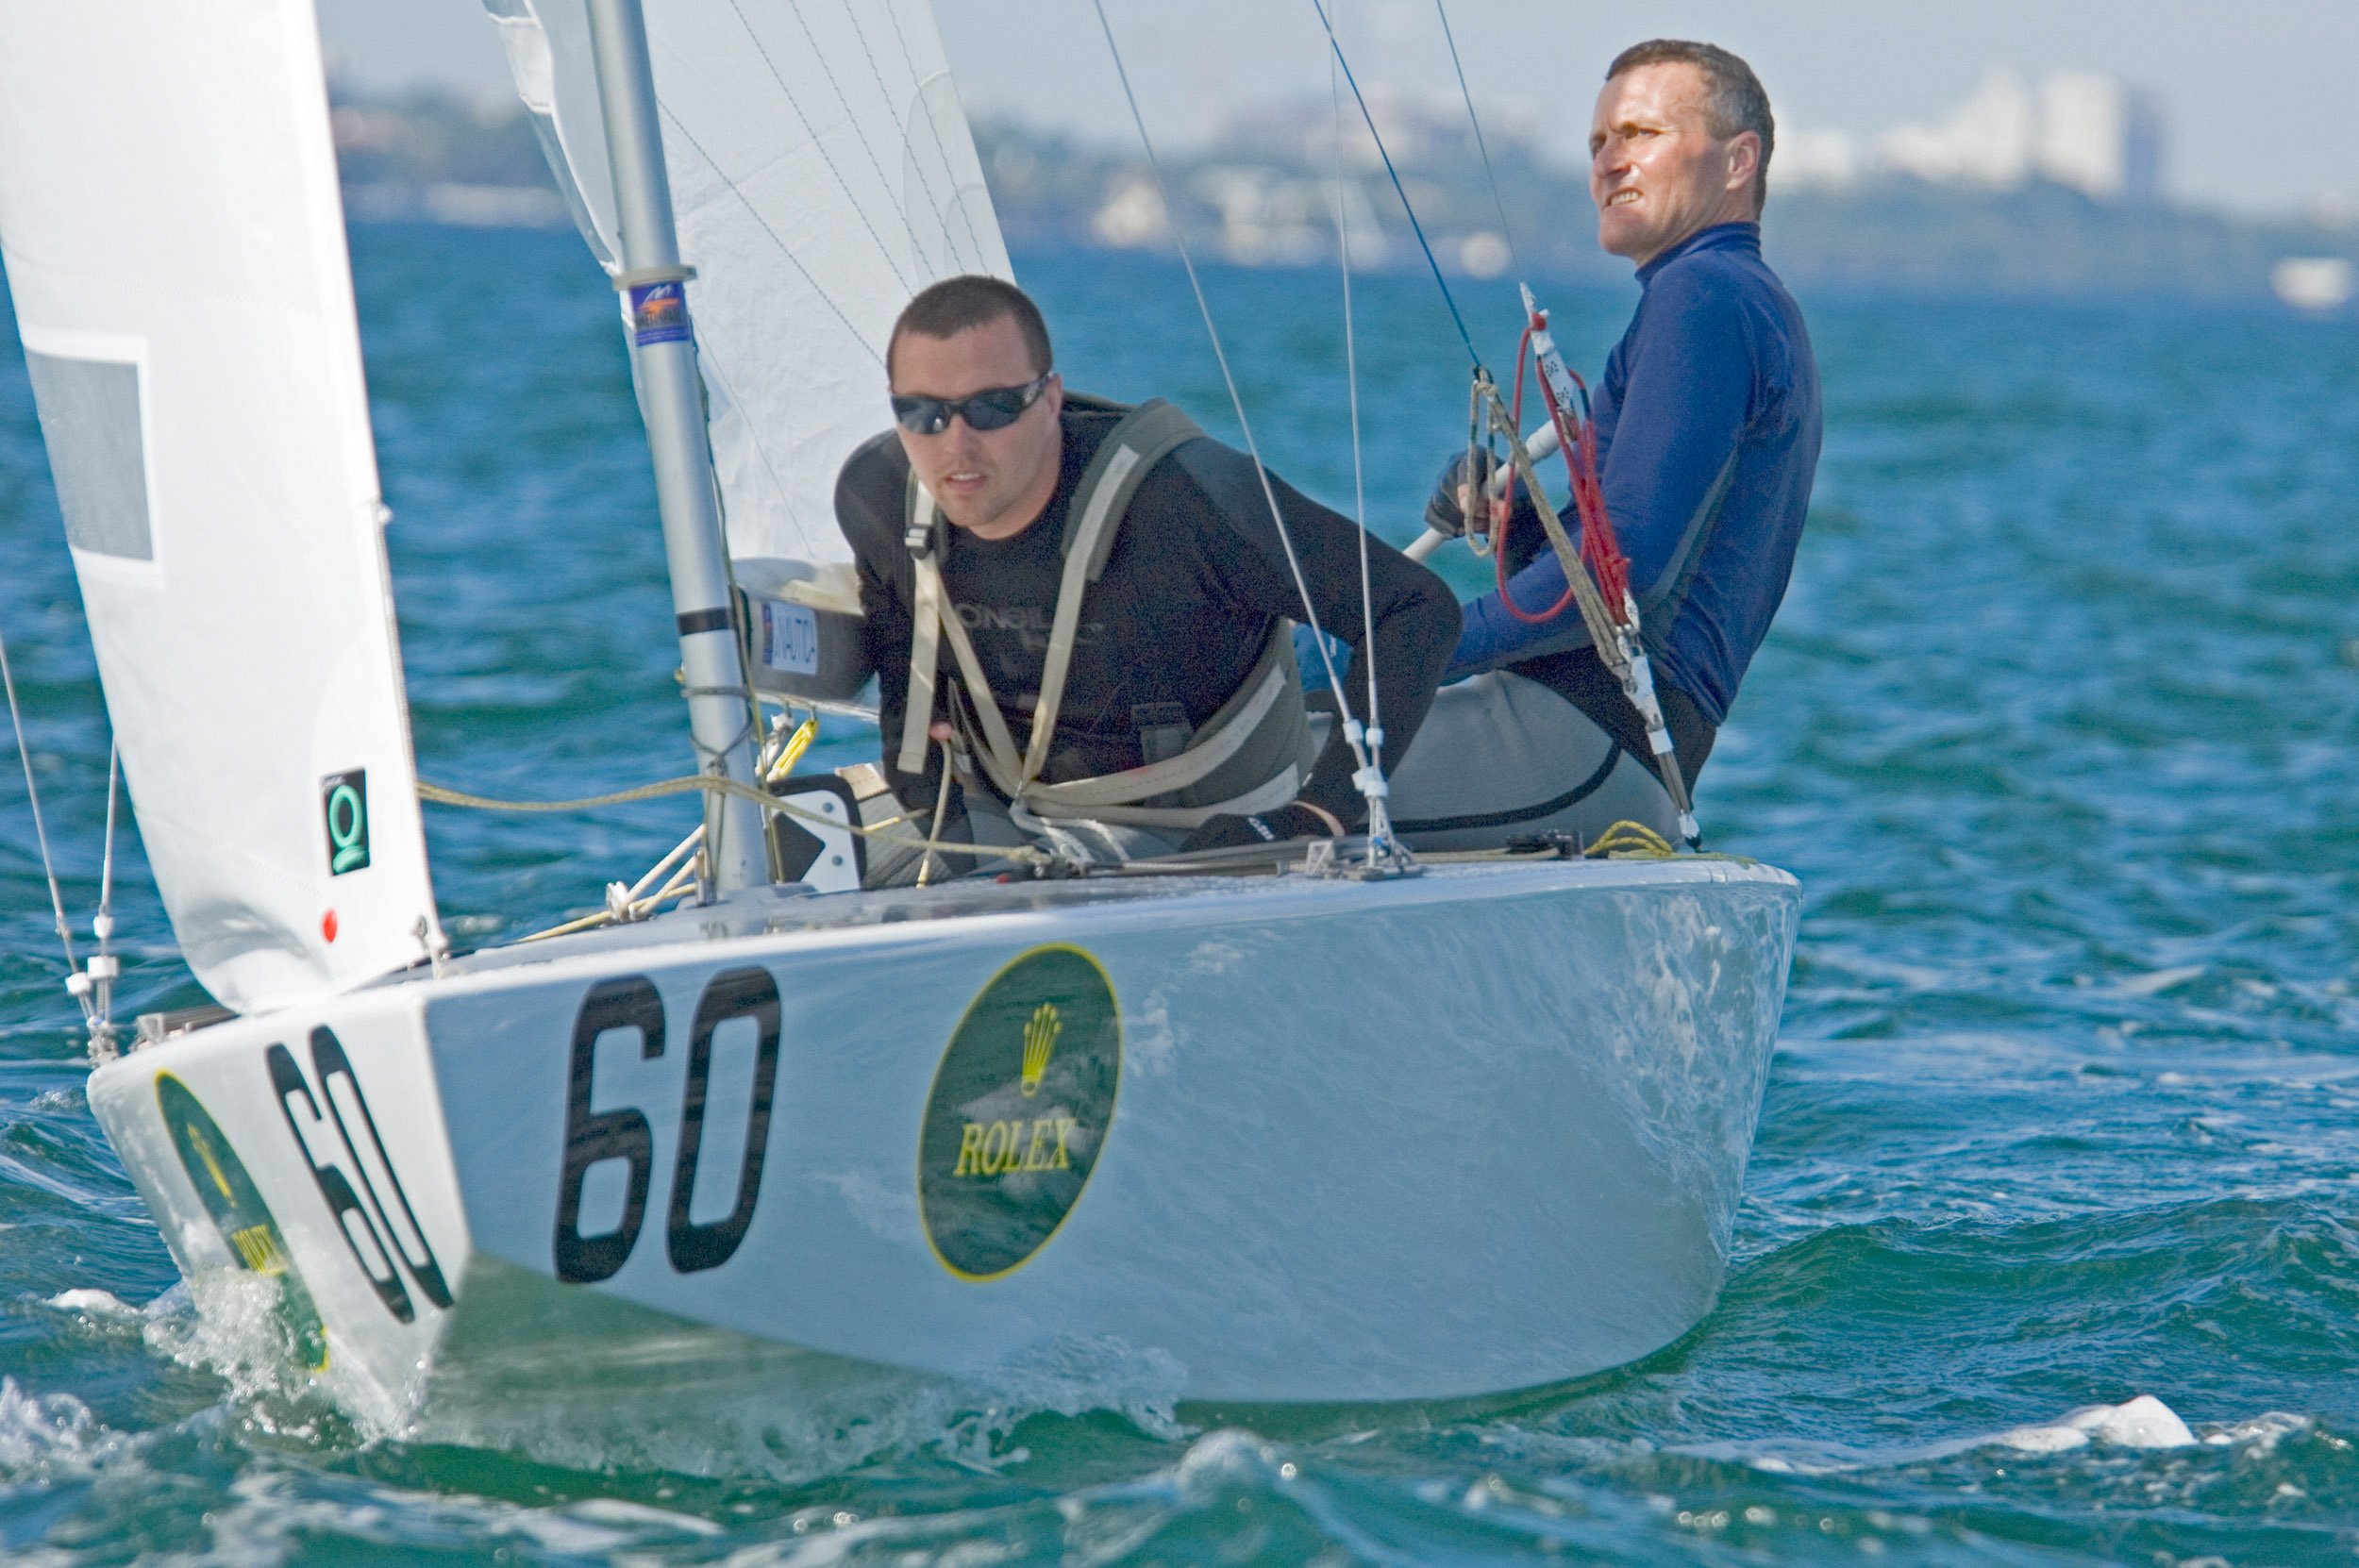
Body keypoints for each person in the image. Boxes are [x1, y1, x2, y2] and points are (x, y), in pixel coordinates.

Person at [835, 275, 1459, 875]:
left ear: (1050, 399)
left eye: (992, 408)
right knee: (804, 851)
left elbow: (1413, 609)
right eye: (922, 413)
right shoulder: (878, 499)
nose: (956, 445)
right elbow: (902, 673)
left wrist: (1322, 811)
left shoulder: (1191, 499)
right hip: (1010, 808)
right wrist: (925, 793)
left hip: (1203, 824)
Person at [1387, 39, 1821, 850]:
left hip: (1581, 746)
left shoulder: (1705, 295)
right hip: (1597, 745)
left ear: (1739, 161)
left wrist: (1401, 651)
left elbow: (1621, 579)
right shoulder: (1729, 300)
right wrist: (1518, 520)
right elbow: (1605, 581)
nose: (1609, 162)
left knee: (1241, 770)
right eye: (1598, 142)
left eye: (1641, 134)